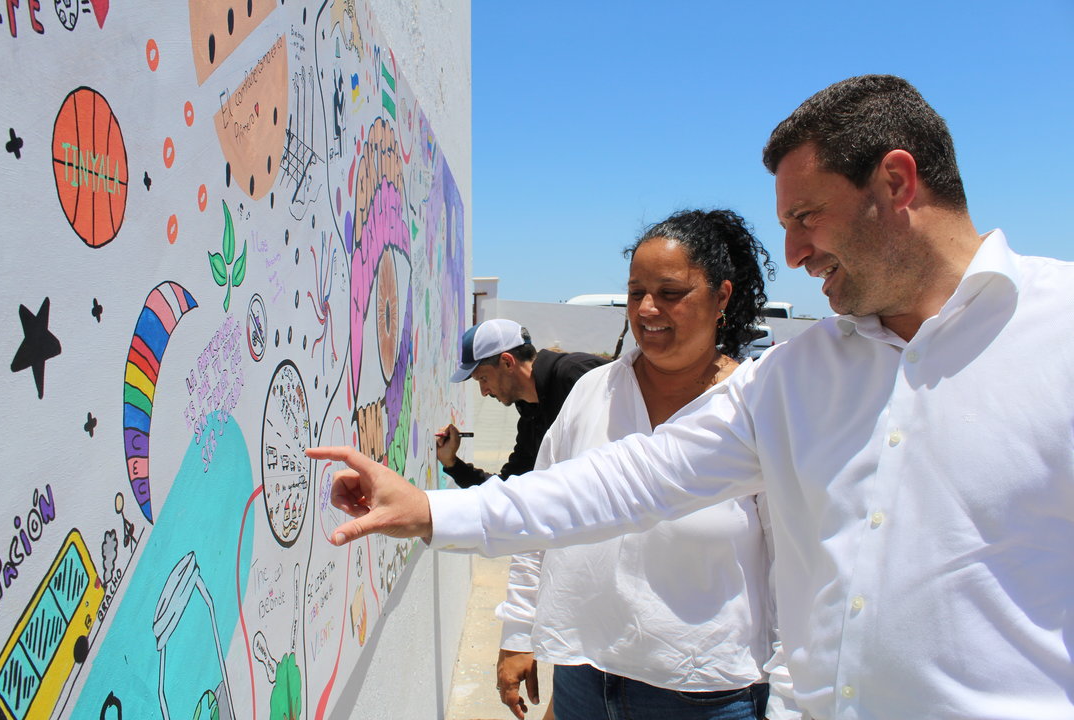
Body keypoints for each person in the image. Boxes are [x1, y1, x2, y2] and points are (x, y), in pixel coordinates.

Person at [309, 74, 1074, 719]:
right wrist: (432, 511)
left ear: (898, 182)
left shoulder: (1059, 333)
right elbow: (627, 481)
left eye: (807, 217)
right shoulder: (798, 377)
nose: (796, 252)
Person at [495, 209, 795, 720]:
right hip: (583, 679)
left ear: (722, 297)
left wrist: (788, 698)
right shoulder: (594, 392)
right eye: (636, 292)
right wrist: (519, 631)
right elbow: (542, 515)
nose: (648, 308)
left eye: (671, 292)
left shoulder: (758, 407)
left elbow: (794, 568)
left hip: (708, 694)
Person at [435, 318, 607, 488]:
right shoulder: (530, 417)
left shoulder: (576, 374)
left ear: (507, 362)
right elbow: (508, 491)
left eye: (483, 378)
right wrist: (452, 463)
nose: (483, 391)